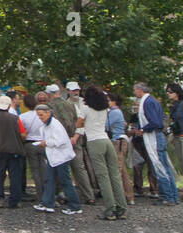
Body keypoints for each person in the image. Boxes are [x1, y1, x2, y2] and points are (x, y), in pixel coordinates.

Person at [80, 86, 127, 220]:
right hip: (106, 140)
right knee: (115, 175)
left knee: (103, 176)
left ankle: (109, 209)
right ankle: (121, 207)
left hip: (94, 142)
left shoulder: (86, 109)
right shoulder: (105, 109)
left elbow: (78, 124)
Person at [131, 81, 179, 205]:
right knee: (162, 166)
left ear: (140, 90)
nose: (134, 92)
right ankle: (171, 195)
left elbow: (156, 122)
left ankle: (168, 196)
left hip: (154, 137)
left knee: (160, 166)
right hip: (154, 136)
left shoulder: (148, 102)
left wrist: (143, 129)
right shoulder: (151, 101)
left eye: (135, 90)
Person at [50, 82, 95, 205]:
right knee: (79, 169)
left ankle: (63, 195)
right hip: (75, 140)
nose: (76, 92)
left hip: (64, 142)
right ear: (66, 91)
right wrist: (75, 137)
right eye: (73, 90)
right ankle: (88, 196)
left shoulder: (50, 107)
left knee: (63, 169)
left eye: (77, 90)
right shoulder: (70, 105)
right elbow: (80, 123)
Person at [32, 103, 81, 215]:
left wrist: (46, 143)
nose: (40, 118)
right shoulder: (46, 125)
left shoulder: (55, 124)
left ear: (48, 113)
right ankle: (47, 203)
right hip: (53, 157)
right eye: (38, 116)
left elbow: (61, 141)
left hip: (61, 157)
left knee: (65, 181)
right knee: (48, 180)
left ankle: (75, 206)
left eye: (41, 115)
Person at [0, 92, 25, 208]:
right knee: (15, 176)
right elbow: (23, 135)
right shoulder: (15, 118)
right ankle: (14, 201)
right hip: (13, 151)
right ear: (9, 106)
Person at [20, 92, 49, 201]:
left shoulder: (22, 117)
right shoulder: (42, 115)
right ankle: (48, 193)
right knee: (44, 169)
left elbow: (21, 133)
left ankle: (40, 195)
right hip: (42, 142)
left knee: (35, 170)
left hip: (29, 143)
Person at [107, 93, 135, 205]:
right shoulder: (116, 112)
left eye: (108, 100)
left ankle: (118, 198)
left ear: (114, 101)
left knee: (116, 170)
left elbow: (106, 125)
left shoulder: (114, 112)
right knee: (122, 171)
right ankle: (129, 196)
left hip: (117, 141)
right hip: (119, 140)